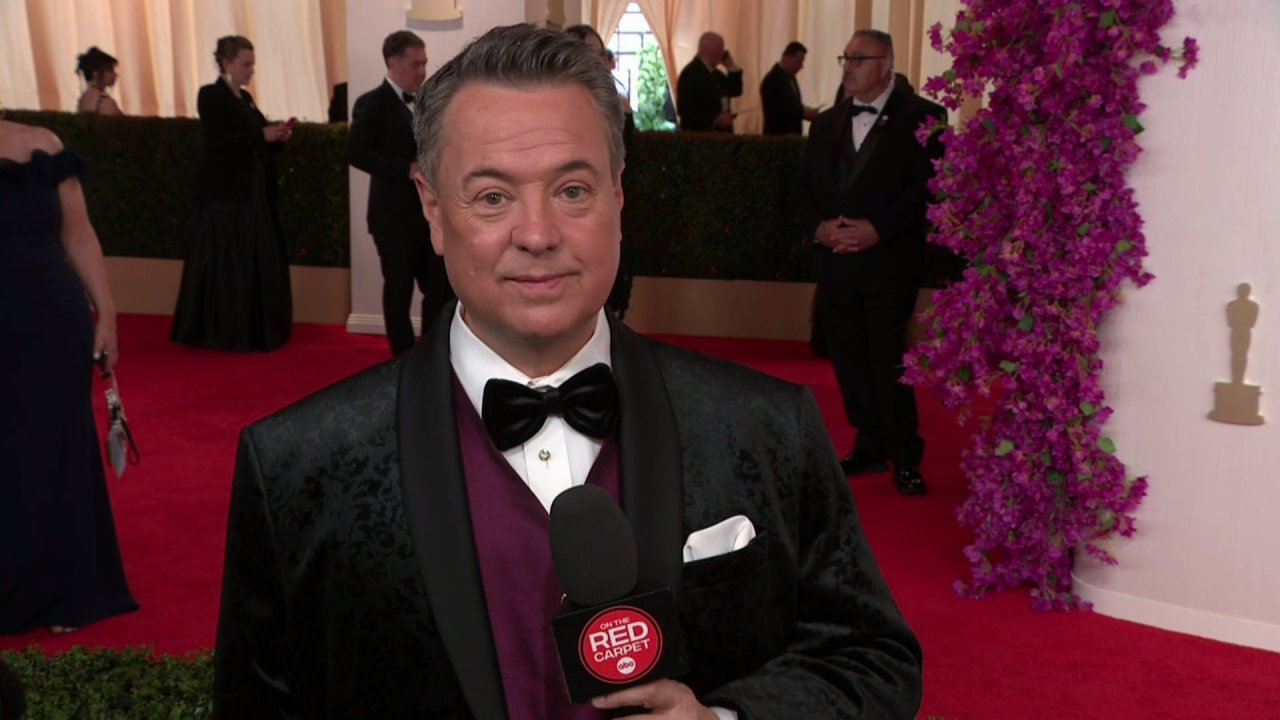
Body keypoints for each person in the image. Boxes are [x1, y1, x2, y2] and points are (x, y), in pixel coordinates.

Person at [213, 24, 921, 719]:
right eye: (492, 196)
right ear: (432, 208)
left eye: (573, 190)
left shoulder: (770, 427)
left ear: (618, 194)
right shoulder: (296, 465)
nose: (538, 234)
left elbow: (871, 659)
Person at [0, 116, 138, 635]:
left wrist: (107, 313)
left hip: (51, 316)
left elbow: (78, 234)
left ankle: (65, 590)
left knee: (58, 445)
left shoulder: (43, 145)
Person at [799, 30, 945, 496]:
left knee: (888, 358)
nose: (848, 66)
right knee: (848, 360)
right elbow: (805, 189)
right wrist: (820, 228)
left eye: (859, 58)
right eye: (845, 57)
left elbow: (926, 190)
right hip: (836, 262)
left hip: (889, 261)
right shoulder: (825, 123)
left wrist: (877, 228)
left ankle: (905, 454)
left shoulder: (925, 117)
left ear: (886, 64)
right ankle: (869, 444)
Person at [171, 35, 293, 351]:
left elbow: (253, 138)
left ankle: (250, 325)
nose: (251, 70)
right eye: (245, 64)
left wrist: (276, 136)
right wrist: (261, 135)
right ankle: (223, 327)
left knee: (250, 257)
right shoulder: (210, 95)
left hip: (252, 192)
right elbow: (219, 139)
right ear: (226, 63)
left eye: (252, 64)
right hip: (225, 196)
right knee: (227, 260)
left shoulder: (246, 98)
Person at [347, 31, 453, 355]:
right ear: (393, 63)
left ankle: (432, 354)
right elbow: (356, 152)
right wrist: (404, 169)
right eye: (415, 64)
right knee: (399, 290)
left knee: (439, 289)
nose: (423, 71)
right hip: (392, 218)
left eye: (424, 63)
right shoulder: (371, 103)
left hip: (429, 215)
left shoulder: (426, 103)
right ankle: (402, 360)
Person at [564, 23, 635, 319]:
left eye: (600, 54)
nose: (598, 61)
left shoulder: (615, 102)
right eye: (589, 53)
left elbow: (628, 153)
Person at [676, 32, 742, 132]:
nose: (723, 53)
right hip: (702, 135)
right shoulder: (690, 73)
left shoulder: (715, 73)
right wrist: (716, 120)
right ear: (707, 50)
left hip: (720, 134)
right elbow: (685, 111)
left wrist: (731, 67)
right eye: (720, 48)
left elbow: (735, 90)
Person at [760, 41, 818, 135]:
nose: (801, 66)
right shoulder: (772, 79)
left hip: (792, 135)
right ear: (787, 58)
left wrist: (805, 110)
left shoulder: (790, 78)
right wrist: (804, 113)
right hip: (778, 137)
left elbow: (792, 103)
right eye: (799, 62)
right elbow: (779, 111)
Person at [76, 46, 123, 116]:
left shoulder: (83, 99)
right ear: (95, 73)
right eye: (110, 70)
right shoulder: (105, 103)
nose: (115, 74)